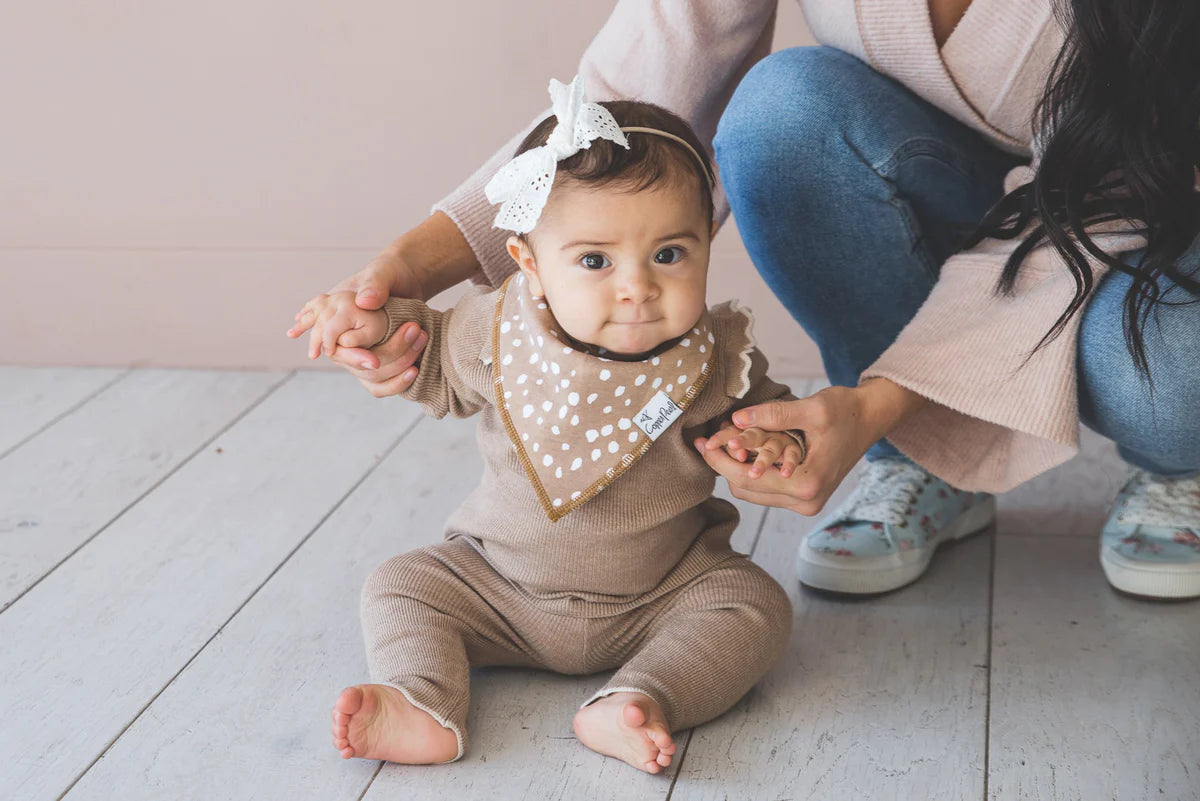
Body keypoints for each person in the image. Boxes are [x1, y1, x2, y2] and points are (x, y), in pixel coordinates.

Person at [290, 0, 1200, 599]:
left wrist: (886, 391)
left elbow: (1107, 196)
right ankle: (917, 455)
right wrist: (405, 270)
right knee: (782, 113)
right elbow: (619, 106)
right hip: (948, 177)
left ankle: (1178, 468)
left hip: (1146, 207)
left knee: (1169, 373)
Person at [301, 82, 805, 771]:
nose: (637, 286)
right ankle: (421, 698)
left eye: (669, 254)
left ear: (706, 248)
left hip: (661, 593)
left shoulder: (717, 356)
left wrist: (773, 445)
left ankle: (641, 697)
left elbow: (776, 420)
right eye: (595, 261)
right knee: (400, 582)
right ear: (531, 266)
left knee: (756, 605)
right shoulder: (496, 330)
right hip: (499, 587)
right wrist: (375, 327)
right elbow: (429, 360)